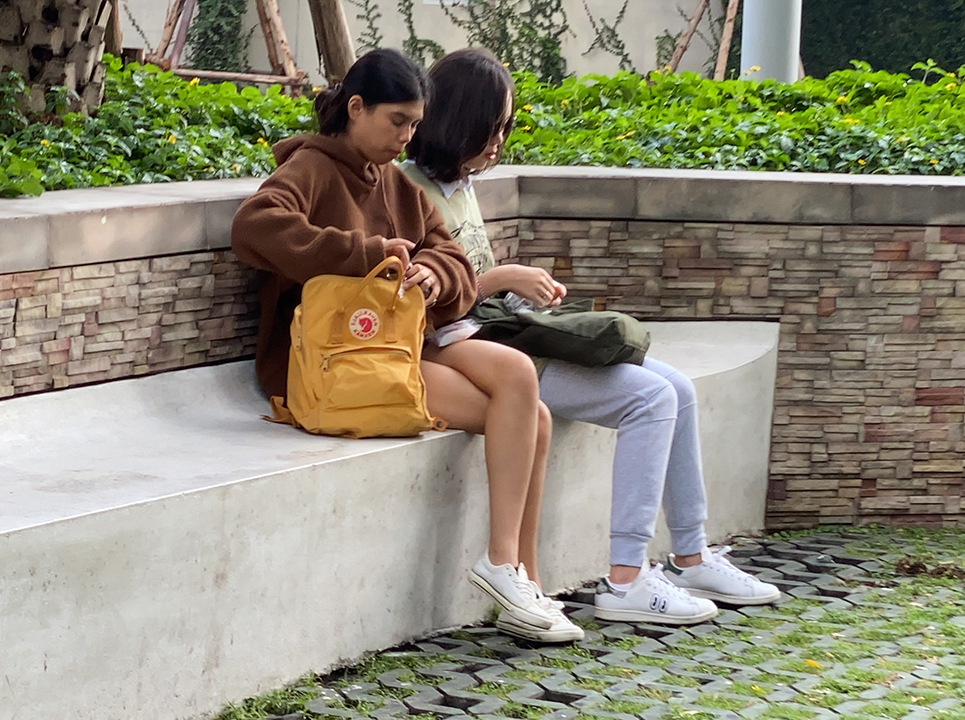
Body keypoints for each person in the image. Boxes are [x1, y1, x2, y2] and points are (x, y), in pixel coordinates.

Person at [402, 48, 781, 639]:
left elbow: (469, 284)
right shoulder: (408, 189)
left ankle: (691, 556)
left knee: (678, 388)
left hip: (502, 331)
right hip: (470, 351)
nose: (499, 143)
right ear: (458, 121)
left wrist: (517, 291)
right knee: (650, 399)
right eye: (491, 128)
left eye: (505, 128)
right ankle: (626, 580)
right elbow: (426, 303)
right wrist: (504, 278)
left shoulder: (460, 184)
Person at [229, 48, 581, 643]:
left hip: (390, 347)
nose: (407, 137)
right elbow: (254, 226)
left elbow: (452, 259)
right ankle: (506, 567)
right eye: (397, 121)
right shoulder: (310, 168)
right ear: (356, 108)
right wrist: (368, 255)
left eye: (415, 124)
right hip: (329, 365)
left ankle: (521, 575)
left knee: (530, 403)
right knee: (529, 412)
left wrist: (434, 275)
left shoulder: (394, 182)